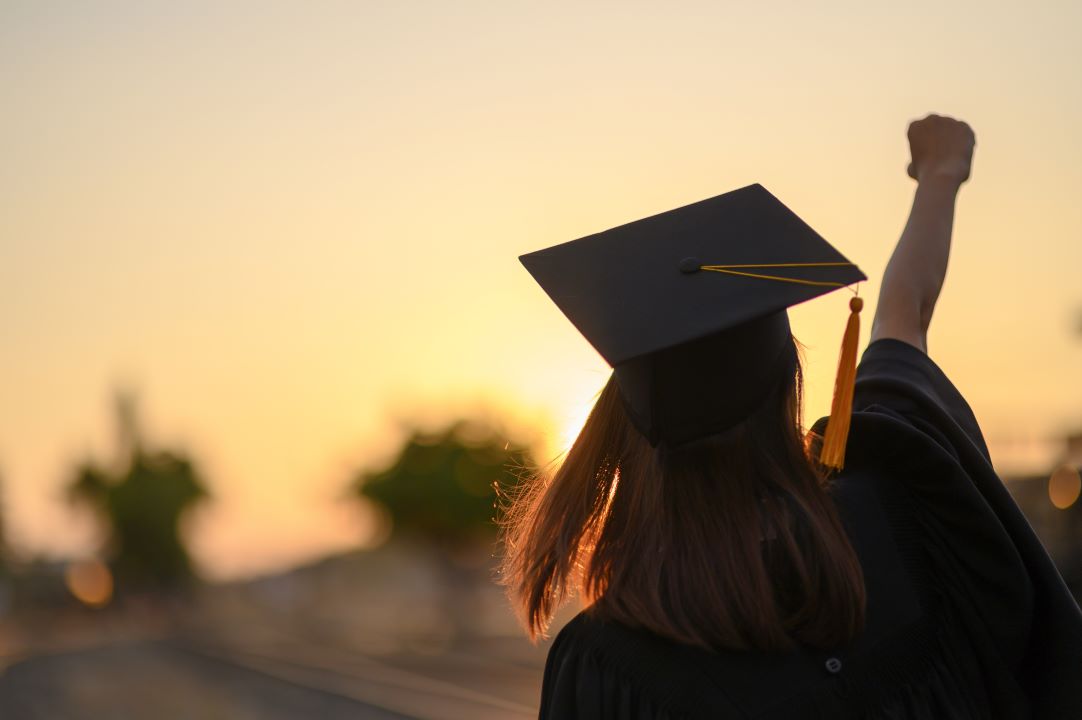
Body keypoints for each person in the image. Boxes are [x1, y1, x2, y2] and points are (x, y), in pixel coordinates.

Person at [501, 114, 1082, 719]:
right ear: (789, 391)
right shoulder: (902, 511)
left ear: (629, 430)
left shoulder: (609, 663)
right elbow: (904, 315)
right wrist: (941, 173)